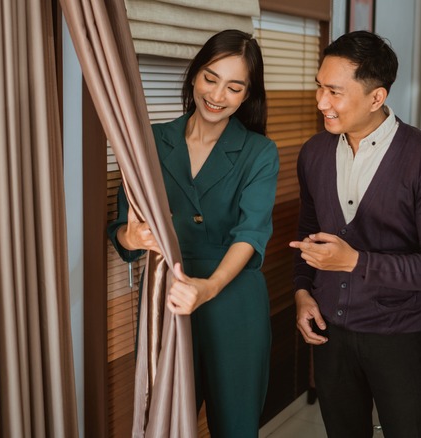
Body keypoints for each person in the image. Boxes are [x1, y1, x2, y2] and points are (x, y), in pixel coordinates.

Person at [289, 30, 421, 437]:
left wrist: (355, 262)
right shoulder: (314, 153)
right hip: (330, 333)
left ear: (376, 98)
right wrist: (301, 293)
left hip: (399, 337)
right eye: (319, 87)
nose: (321, 102)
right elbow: (306, 234)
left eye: (334, 91)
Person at [107, 30, 279, 437]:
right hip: (167, 298)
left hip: (233, 300)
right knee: (163, 423)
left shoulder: (259, 152)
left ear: (247, 95)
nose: (218, 95)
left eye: (234, 87)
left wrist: (209, 288)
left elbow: (250, 234)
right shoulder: (151, 140)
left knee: (235, 427)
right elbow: (123, 231)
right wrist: (134, 238)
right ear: (194, 76)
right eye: (210, 78)